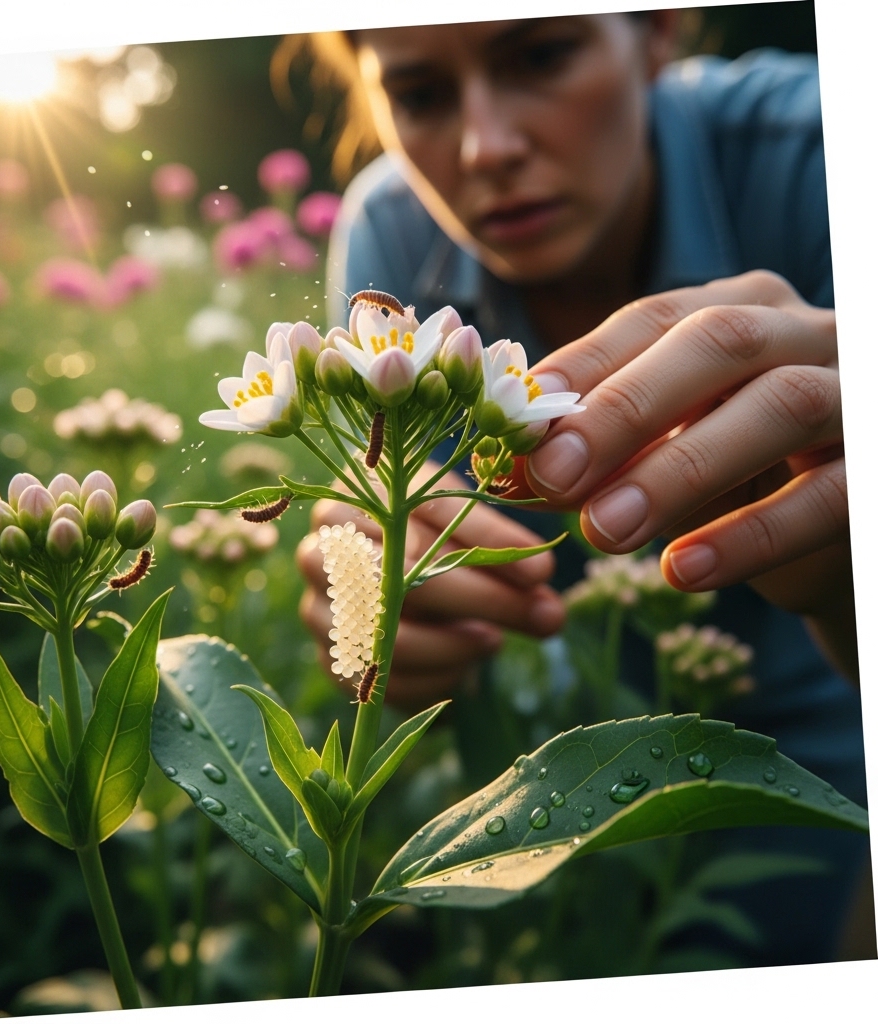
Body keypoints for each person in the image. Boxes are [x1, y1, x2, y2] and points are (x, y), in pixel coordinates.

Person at [292, 11, 872, 966]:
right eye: (422, 94)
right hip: (545, 797)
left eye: (542, 55)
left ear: (659, 33)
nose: (486, 148)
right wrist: (381, 601)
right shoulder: (391, 230)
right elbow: (390, 515)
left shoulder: (829, 145)